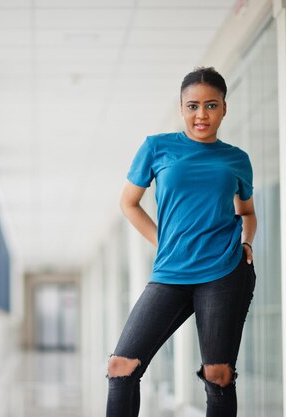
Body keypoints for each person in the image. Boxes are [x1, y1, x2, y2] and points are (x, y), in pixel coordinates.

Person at [105, 67, 256, 417]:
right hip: (170, 272)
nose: (201, 114)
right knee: (121, 365)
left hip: (223, 272)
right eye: (192, 106)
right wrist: (164, 241)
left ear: (224, 108)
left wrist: (246, 243)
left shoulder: (237, 159)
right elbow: (129, 203)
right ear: (181, 108)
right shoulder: (157, 147)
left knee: (218, 376)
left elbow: (247, 212)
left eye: (211, 105)